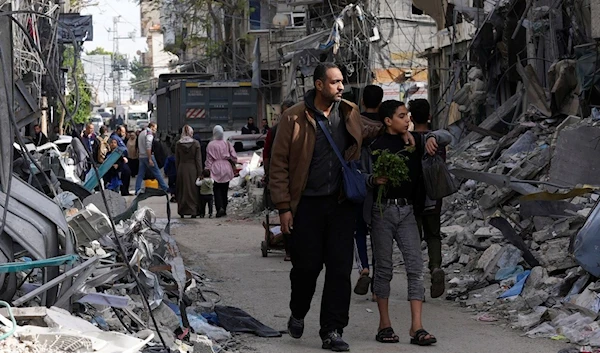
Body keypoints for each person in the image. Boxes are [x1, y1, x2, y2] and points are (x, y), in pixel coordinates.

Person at [269, 63, 413, 352]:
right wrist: (284, 207)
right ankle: (298, 312)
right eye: (335, 82)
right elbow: (279, 164)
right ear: (319, 85)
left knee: (339, 269)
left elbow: (369, 130)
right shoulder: (294, 117)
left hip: (341, 203)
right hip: (306, 205)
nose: (341, 86)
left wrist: (403, 132)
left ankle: (332, 330)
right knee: (306, 268)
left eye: (342, 82)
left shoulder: (347, 110)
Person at [361, 99, 451, 346]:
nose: (407, 119)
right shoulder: (374, 146)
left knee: (415, 266)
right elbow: (360, 173)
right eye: (401, 116)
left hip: (408, 211)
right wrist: (372, 180)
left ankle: (417, 327)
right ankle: (384, 324)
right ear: (388, 121)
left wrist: (431, 137)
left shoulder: (417, 140)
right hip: (382, 212)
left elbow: (447, 135)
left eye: (407, 115)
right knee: (385, 269)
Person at [409, 98, 446, 299]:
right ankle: (435, 267)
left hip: (413, 197)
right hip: (434, 195)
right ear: (430, 117)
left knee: (414, 239)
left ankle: (417, 283)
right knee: (434, 235)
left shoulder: (408, 139)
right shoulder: (437, 141)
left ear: (411, 118)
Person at [353, 84, 385, 297]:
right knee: (378, 235)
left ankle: (363, 267)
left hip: (357, 182)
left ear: (363, 101)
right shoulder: (386, 124)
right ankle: (377, 288)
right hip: (382, 185)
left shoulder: (354, 123)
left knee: (358, 231)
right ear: (380, 102)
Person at [263, 99, 295, 261]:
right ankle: (290, 250)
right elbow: (267, 155)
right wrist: (269, 176)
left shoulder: (303, 129)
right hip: (283, 179)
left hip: (298, 179)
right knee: (286, 213)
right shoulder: (275, 131)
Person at [205, 125, 237, 218]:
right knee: (225, 189)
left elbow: (209, 159)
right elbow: (234, 156)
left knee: (217, 189)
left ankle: (219, 208)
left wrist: (207, 169)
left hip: (216, 167)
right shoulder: (227, 143)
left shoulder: (210, 145)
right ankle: (225, 208)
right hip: (226, 167)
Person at [175, 125, 203, 218]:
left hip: (182, 168)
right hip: (192, 169)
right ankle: (193, 210)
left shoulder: (178, 144)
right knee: (193, 190)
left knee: (182, 190)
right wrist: (200, 173)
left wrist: (177, 171)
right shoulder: (196, 144)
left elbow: (177, 159)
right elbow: (198, 160)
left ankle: (182, 210)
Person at [135, 122, 169, 194]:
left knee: (140, 173)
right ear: (152, 127)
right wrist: (150, 158)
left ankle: (137, 189)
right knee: (157, 172)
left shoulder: (141, 133)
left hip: (141, 156)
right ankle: (165, 188)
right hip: (148, 156)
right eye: (155, 128)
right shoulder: (149, 134)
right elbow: (148, 146)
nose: (155, 130)